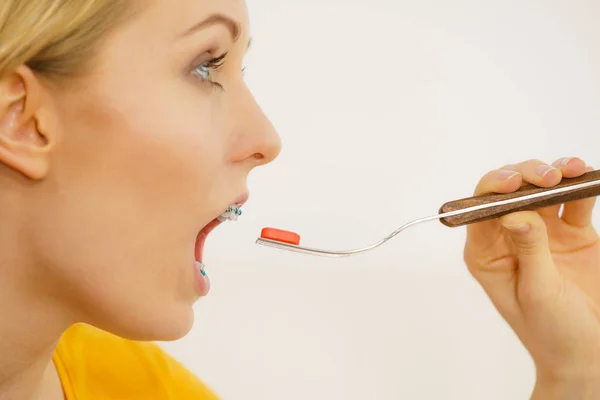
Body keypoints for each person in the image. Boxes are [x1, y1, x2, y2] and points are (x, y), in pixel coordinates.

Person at [0, 1, 597, 399]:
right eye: (207, 67)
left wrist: (576, 372)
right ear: (22, 119)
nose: (267, 140)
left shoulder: (139, 387)